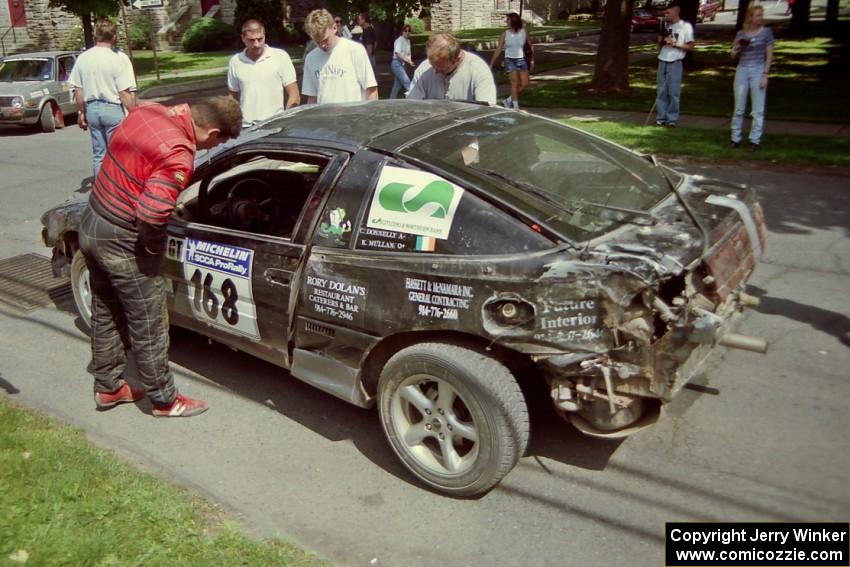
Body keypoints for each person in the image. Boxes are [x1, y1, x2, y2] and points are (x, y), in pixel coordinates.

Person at [79, 96, 243, 418]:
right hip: (122, 238)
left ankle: (109, 386)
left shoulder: (148, 110)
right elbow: (153, 213)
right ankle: (164, 400)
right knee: (148, 320)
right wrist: (153, 249)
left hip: (93, 220)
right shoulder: (178, 152)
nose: (212, 147)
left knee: (107, 309)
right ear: (212, 133)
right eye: (218, 141)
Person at [67, 18, 136, 177]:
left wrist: (81, 113)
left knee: (99, 154)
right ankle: (116, 189)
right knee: (117, 153)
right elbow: (124, 92)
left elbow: (78, 90)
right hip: (112, 108)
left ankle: (100, 189)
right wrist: (134, 113)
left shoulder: (83, 58)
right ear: (114, 36)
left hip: (92, 108)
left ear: (95, 35)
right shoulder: (118, 58)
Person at [227, 19, 299, 126]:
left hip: (275, 124)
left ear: (264, 36)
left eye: (260, 39)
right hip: (246, 127)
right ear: (243, 38)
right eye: (251, 40)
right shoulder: (236, 61)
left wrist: (286, 119)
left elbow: (294, 93)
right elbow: (232, 98)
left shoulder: (280, 56)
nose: (256, 44)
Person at [302, 9, 378, 104]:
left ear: (334, 28)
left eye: (325, 40)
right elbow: (312, 97)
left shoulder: (355, 50)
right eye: (317, 42)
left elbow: (371, 89)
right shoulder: (311, 58)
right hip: (324, 117)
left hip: (353, 116)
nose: (322, 45)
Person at [407, 32, 497, 105]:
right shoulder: (424, 68)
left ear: (457, 59)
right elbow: (412, 106)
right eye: (432, 65)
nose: (435, 71)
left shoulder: (478, 70)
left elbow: (487, 111)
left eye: (442, 69)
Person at [729, 4, 774, 151]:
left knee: (757, 109)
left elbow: (769, 55)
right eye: (758, 15)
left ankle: (754, 140)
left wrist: (765, 74)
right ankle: (735, 138)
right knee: (739, 108)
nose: (760, 18)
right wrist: (737, 48)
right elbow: (732, 55)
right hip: (742, 69)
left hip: (758, 69)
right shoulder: (741, 33)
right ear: (751, 17)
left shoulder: (766, 33)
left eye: (761, 15)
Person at [654, 4, 694, 127]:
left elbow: (691, 46)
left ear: (676, 12)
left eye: (668, 13)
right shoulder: (665, 25)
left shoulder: (685, 26)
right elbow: (659, 42)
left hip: (676, 61)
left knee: (674, 92)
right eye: (665, 13)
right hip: (663, 60)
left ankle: (671, 118)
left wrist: (675, 44)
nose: (666, 15)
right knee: (661, 91)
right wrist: (661, 36)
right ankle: (661, 117)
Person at [488, 12, 533, 109]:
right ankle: (515, 107)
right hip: (510, 61)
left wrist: (532, 60)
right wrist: (491, 63)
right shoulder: (505, 34)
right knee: (514, 83)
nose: (506, 22)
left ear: (514, 21)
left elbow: (530, 46)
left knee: (524, 84)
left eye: (508, 20)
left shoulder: (523, 32)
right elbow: (499, 49)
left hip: (521, 60)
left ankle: (508, 100)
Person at [390, 25, 414, 99]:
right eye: (405, 31)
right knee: (407, 82)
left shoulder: (408, 41)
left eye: (409, 31)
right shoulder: (399, 40)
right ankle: (415, 97)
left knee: (397, 86)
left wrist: (410, 61)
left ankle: (391, 101)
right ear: (402, 32)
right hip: (396, 64)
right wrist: (407, 60)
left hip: (403, 65)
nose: (407, 32)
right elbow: (397, 54)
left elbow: (408, 54)